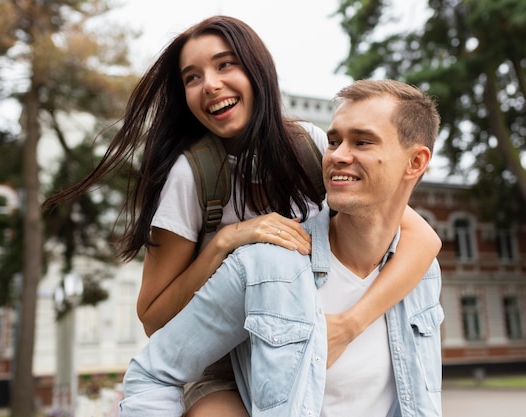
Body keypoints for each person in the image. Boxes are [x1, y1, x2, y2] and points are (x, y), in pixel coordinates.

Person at [44, 15, 441, 417]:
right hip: (216, 362)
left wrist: (348, 327)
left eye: (224, 64)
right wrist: (226, 241)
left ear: (257, 70)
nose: (210, 84)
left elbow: (422, 240)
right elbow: (152, 319)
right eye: (192, 78)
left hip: (295, 341)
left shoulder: (309, 146)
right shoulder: (192, 175)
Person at [118, 79, 444, 417]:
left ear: (416, 162)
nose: (339, 155)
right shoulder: (263, 266)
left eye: (362, 142)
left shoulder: (422, 273)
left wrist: (349, 326)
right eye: (333, 141)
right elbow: (154, 370)